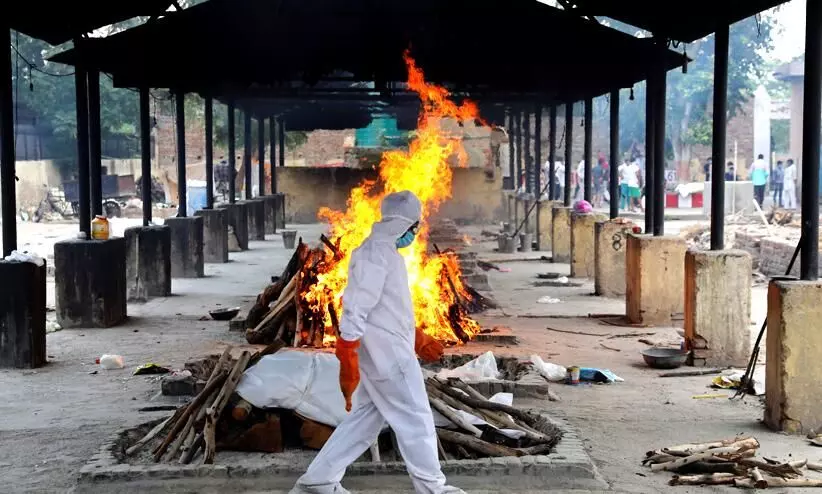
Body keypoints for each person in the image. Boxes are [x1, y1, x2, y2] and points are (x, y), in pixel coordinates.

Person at [290, 191, 464, 494]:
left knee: (365, 421)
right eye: (415, 228)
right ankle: (434, 489)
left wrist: (417, 337)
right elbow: (357, 306)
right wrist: (347, 351)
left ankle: (317, 482)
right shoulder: (377, 254)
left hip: (386, 350)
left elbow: (385, 307)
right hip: (388, 357)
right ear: (407, 225)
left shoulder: (383, 252)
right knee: (416, 419)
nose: (416, 234)